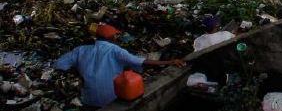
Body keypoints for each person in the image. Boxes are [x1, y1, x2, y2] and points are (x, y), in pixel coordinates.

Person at [54, 23, 185, 108]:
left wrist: (80, 72)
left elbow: (59, 65)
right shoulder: (115, 50)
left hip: (88, 100)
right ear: (112, 38)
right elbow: (141, 61)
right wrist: (170, 62)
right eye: (116, 35)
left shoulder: (80, 50)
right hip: (111, 99)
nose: (117, 36)